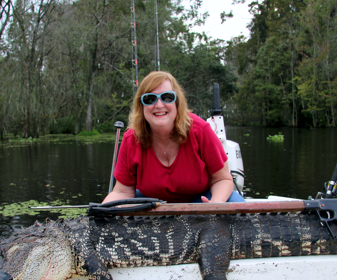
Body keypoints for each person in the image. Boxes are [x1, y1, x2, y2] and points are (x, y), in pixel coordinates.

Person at [102, 71, 245, 204]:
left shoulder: (201, 131)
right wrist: (99, 214)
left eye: (167, 97)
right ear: (141, 106)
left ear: (177, 103)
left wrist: (215, 205)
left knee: (235, 204)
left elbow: (223, 179)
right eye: (150, 99)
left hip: (201, 200)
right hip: (152, 204)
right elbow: (122, 191)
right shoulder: (131, 139)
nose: (159, 105)